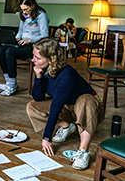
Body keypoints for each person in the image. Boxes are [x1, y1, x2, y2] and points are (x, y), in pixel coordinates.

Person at [26, 38, 104, 170]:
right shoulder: (45, 69)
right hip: (68, 106)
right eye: (33, 56)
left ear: (51, 59)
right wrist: (38, 78)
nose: (33, 60)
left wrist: (46, 137)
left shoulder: (66, 75)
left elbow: (56, 106)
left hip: (89, 108)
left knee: (85, 100)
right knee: (32, 107)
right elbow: (38, 98)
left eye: (37, 58)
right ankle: (67, 126)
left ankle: (83, 151)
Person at [0, 0, 49, 96]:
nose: (24, 12)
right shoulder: (24, 16)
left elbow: (45, 35)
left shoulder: (41, 15)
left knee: (9, 51)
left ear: (32, 6)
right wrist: (16, 37)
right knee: (0, 50)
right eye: (22, 9)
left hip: (34, 46)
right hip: (22, 43)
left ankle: (12, 85)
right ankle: (10, 82)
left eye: (26, 9)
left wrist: (30, 40)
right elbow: (20, 31)